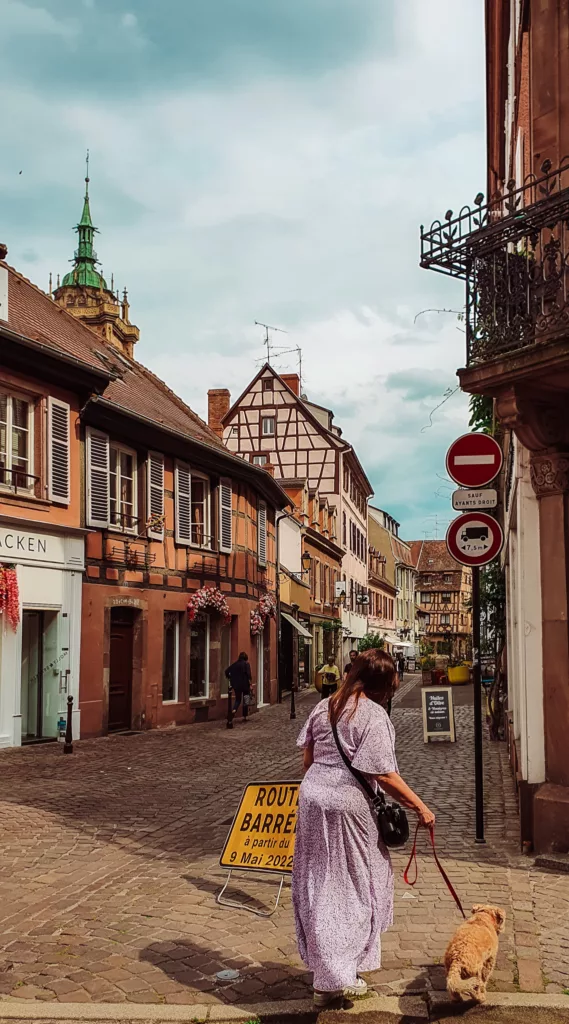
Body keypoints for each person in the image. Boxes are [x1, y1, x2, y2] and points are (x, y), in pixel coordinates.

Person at [292, 649, 435, 1009]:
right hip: (348, 806)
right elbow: (382, 774)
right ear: (382, 686)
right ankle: (338, 974)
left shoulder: (322, 707)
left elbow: (307, 760)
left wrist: (321, 784)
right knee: (354, 884)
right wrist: (420, 807)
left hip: (312, 798)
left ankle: (326, 972)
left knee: (319, 879)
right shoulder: (372, 715)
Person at [224, 652, 252, 721]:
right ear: (246, 658)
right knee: (246, 699)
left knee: (238, 700)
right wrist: (250, 684)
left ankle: (234, 710)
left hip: (236, 685)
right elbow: (249, 675)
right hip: (245, 685)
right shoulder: (246, 664)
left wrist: (230, 677)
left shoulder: (234, 665)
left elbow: (226, 671)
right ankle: (245, 716)